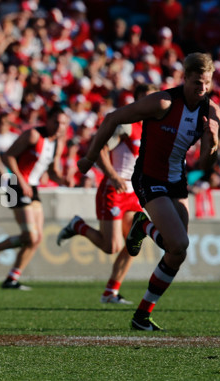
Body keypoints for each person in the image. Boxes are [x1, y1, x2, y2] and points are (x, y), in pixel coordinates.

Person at [77, 53, 220, 331]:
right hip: (148, 178)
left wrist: (212, 141)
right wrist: (90, 156)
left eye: (206, 84)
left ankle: (141, 315)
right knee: (178, 243)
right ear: (185, 78)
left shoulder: (209, 112)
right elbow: (112, 118)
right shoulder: (163, 102)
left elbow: (205, 164)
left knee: (177, 251)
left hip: (176, 182)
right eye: (196, 83)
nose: (201, 89)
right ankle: (141, 226)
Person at [56, 84, 157, 304]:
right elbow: (100, 146)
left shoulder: (154, 128)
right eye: (145, 99)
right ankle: (78, 226)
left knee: (134, 241)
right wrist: (111, 175)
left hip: (133, 193)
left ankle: (110, 292)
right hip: (113, 188)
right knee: (112, 246)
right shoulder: (128, 126)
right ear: (137, 101)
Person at [0, 104, 69, 290]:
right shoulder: (33, 135)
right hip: (17, 186)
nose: (59, 127)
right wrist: (22, 181)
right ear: (47, 120)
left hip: (32, 187)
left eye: (63, 123)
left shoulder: (58, 142)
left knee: (36, 238)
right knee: (31, 237)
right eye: (56, 122)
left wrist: (62, 179)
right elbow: (9, 156)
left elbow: (52, 170)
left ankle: (10, 276)